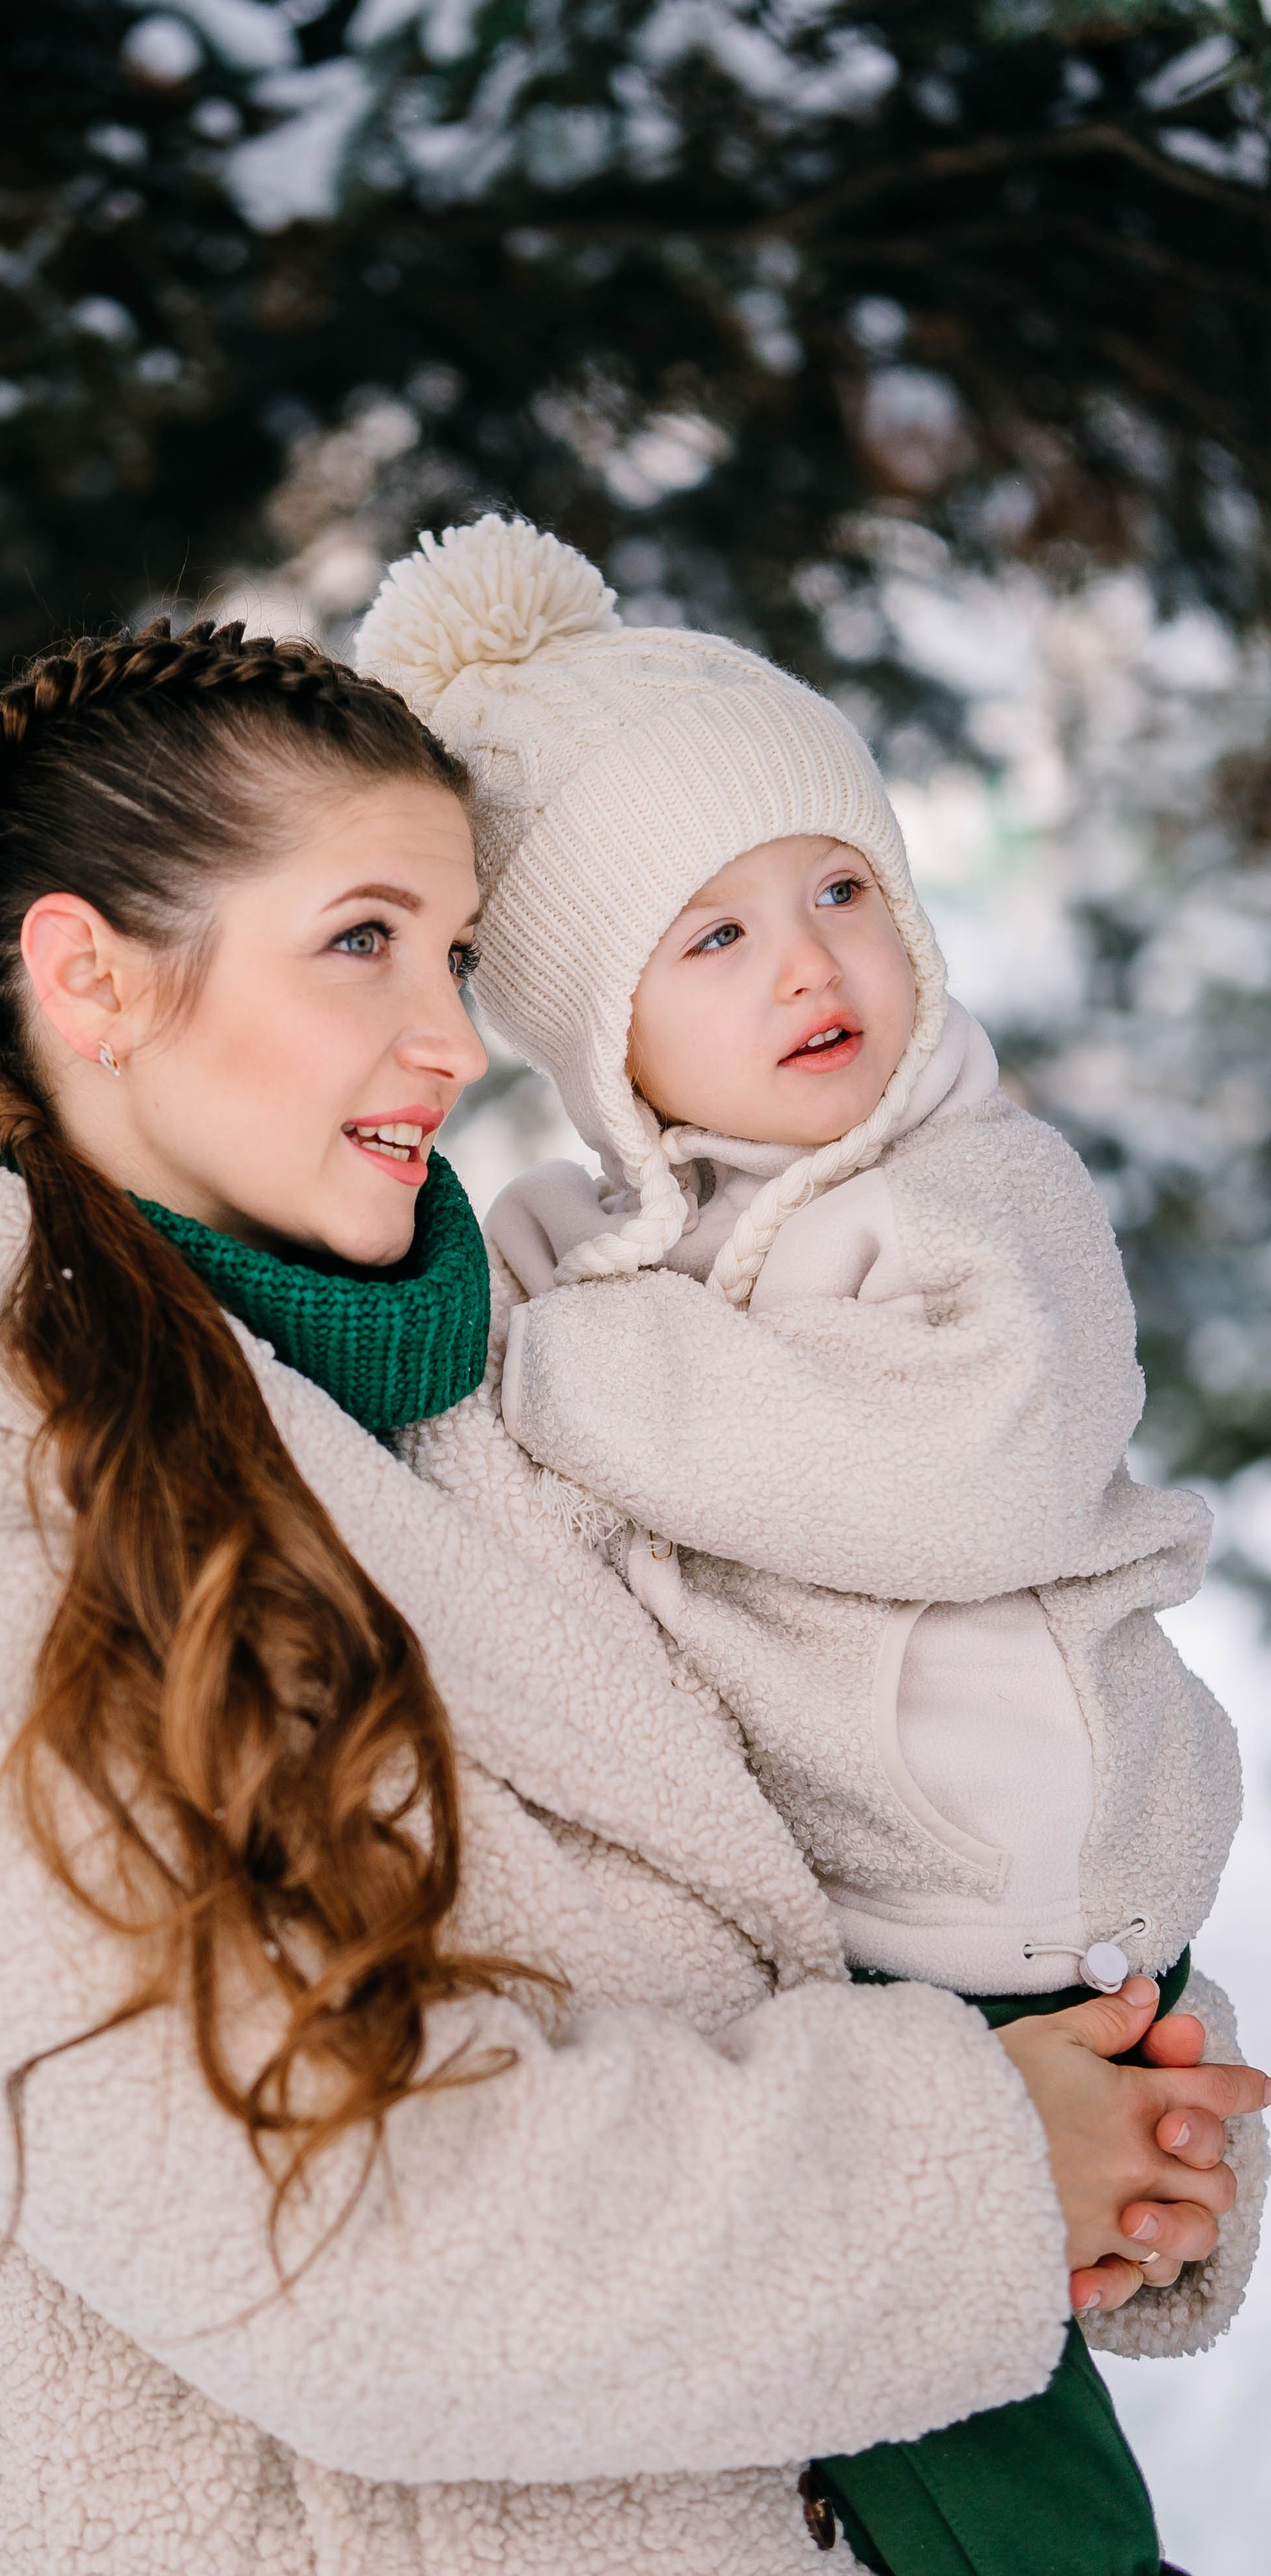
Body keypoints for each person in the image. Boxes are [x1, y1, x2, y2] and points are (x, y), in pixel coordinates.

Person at [0, 617, 1263, 2576]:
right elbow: (316, 2223)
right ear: (92, 978)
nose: (457, 1040)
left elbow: (779, 1842)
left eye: (455, 954)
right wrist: (973, 2160)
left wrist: (1092, 2042)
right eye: (362, 939)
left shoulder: (450, 1381)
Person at [356, 516, 1269, 2572]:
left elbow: (974, 1474)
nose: (808, 962)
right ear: (599, 1043)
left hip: (1036, 1920)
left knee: (979, 2454)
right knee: (892, 2412)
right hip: (873, 1946)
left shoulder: (968, 1183)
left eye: (841, 890)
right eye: (714, 937)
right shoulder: (586, 1253)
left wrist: (582, 1383)